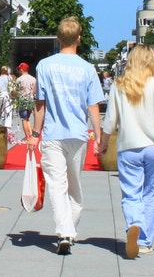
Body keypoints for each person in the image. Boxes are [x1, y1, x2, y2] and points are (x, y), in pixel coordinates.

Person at [25, 17, 104, 254]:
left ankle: (65, 231)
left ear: (58, 39)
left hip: (52, 133)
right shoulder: (87, 68)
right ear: (79, 38)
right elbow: (93, 106)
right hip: (78, 134)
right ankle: (67, 232)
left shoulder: (44, 65)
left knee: (56, 185)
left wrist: (35, 133)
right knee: (74, 186)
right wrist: (98, 135)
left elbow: (41, 103)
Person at [101, 45, 154, 258]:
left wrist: (102, 144)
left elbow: (110, 121)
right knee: (153, 192)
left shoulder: (119, 85)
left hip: (128, 147)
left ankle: (134, 223)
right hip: (153, 147)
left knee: (131, 192)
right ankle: (145, 240)